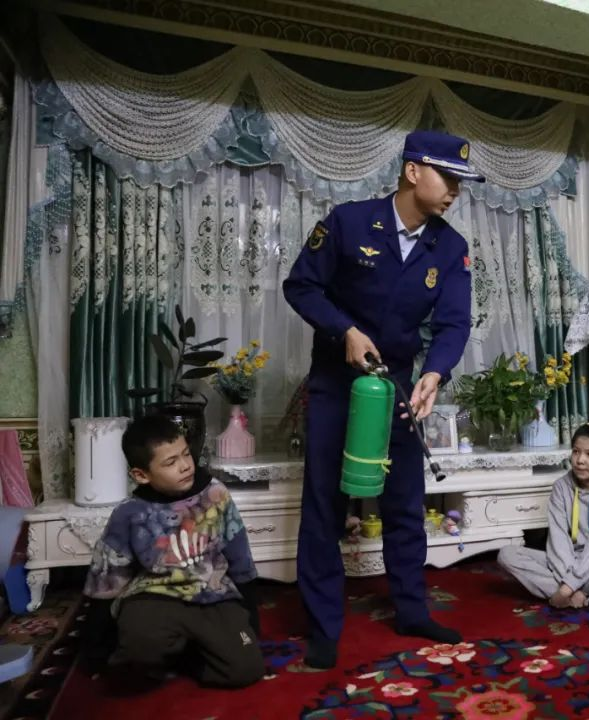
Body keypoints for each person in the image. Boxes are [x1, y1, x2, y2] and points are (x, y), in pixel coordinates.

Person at [283, 130, 480, 669]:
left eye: (461, 182)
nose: (455, 190)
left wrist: (434, 373)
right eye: (448, 177)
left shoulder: (451, 248)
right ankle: (323, 627)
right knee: (324, 505)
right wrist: (344, 330)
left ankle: (412, 611)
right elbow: (301, 286)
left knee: (404, 504)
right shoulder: (348, 223)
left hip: (397, 389)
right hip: (336, 386)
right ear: (413, 171)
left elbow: (454, 322)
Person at [81, 415, 263, 688]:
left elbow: (240, 558)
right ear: (141, 475)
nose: (185, 466)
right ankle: (162, 650)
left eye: (186, 454)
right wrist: (95, 649)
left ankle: (186, 656)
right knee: (131, 665)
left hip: (213, 593)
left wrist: (252, 624)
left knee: (246, 669)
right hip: (154, 596)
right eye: (170, 462)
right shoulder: (129, 513)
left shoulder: (216, 494)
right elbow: (105, 580)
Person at [497, 418, 589, 610]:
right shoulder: (561, 487)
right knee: (507, 554)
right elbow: (558, 542)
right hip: (566, 561)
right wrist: (569, 583)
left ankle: (568, 594)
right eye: (576, 451)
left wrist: (566, 589)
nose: (580, 460)